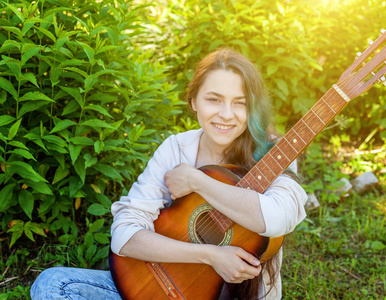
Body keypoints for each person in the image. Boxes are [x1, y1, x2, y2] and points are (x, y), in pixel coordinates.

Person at [31, 48, 307, 300]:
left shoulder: (273, 152)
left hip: (229, 296)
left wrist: (198, 181)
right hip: (158, 284)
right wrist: (211, 255)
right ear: (194, 102)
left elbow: (277, 218)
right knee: (52, 284)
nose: (226, 114)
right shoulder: (177, 148)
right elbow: (125, 234)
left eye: (240, 103)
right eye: (214, 99)